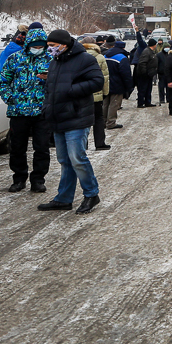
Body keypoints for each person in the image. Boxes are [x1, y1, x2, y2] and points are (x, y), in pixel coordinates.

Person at [38, 29, 104, 214]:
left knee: (77, 158)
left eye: (52, 46)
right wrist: (46, 109)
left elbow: (97, 81)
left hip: (77, 116)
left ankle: (91, 194)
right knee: (65, 160)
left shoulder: (85, 60)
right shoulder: (55, 62)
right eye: (48, 46)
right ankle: (64, 198)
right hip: (58, 117)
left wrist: (71, 90)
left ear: (64, 45)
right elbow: (50, 90)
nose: (49, 49)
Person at [0, 27, 52, 193]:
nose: (38, 47)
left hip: (41, 112)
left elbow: (59, 83)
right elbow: (2, 81)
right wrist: (10, 98)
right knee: (17, 147)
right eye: (35, 45)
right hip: (18, 112)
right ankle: (19, 178)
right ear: (28, 44)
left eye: (41, 45)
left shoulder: (51, 60)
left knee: (42, 147)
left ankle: (38, 179)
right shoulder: (15, 58)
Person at [81, 40, 111, 149]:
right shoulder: (100, 57)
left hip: (83, 93)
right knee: (98, 119)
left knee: (84, 121)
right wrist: (105, 93)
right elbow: (105, 77)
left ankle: (83, 145)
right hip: (97, 94)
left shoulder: (78, 57)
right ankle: (100, 143)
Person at [104, 40, 133, 130]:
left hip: (106, 83)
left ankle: (103, 122)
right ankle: (111, 122)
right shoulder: (122, 58)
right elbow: (126, 74)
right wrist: (129, 87)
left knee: (105, 104)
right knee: (114, 104)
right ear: (123, 48)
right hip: (118, 84)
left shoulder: (105, 55)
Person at [134, 38, 158, 107]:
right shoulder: (147, 51)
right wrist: (144, 73)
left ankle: (148, 102)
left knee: (148, 89)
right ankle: (140, 103)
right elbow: (142, 63)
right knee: (142, 89)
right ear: (153, 45)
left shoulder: (151, 51)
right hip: (144, 75)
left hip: (149, 74)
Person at [156, 40, 171, 104]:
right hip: (161, 74)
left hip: (169, 74)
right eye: (166, 47)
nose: (167, 48)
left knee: (169, 87)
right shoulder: (159, 55)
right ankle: (162, 99)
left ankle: (168, 98)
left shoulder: (170, 54)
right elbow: (157, 64)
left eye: (168, 47)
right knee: (161, 87)